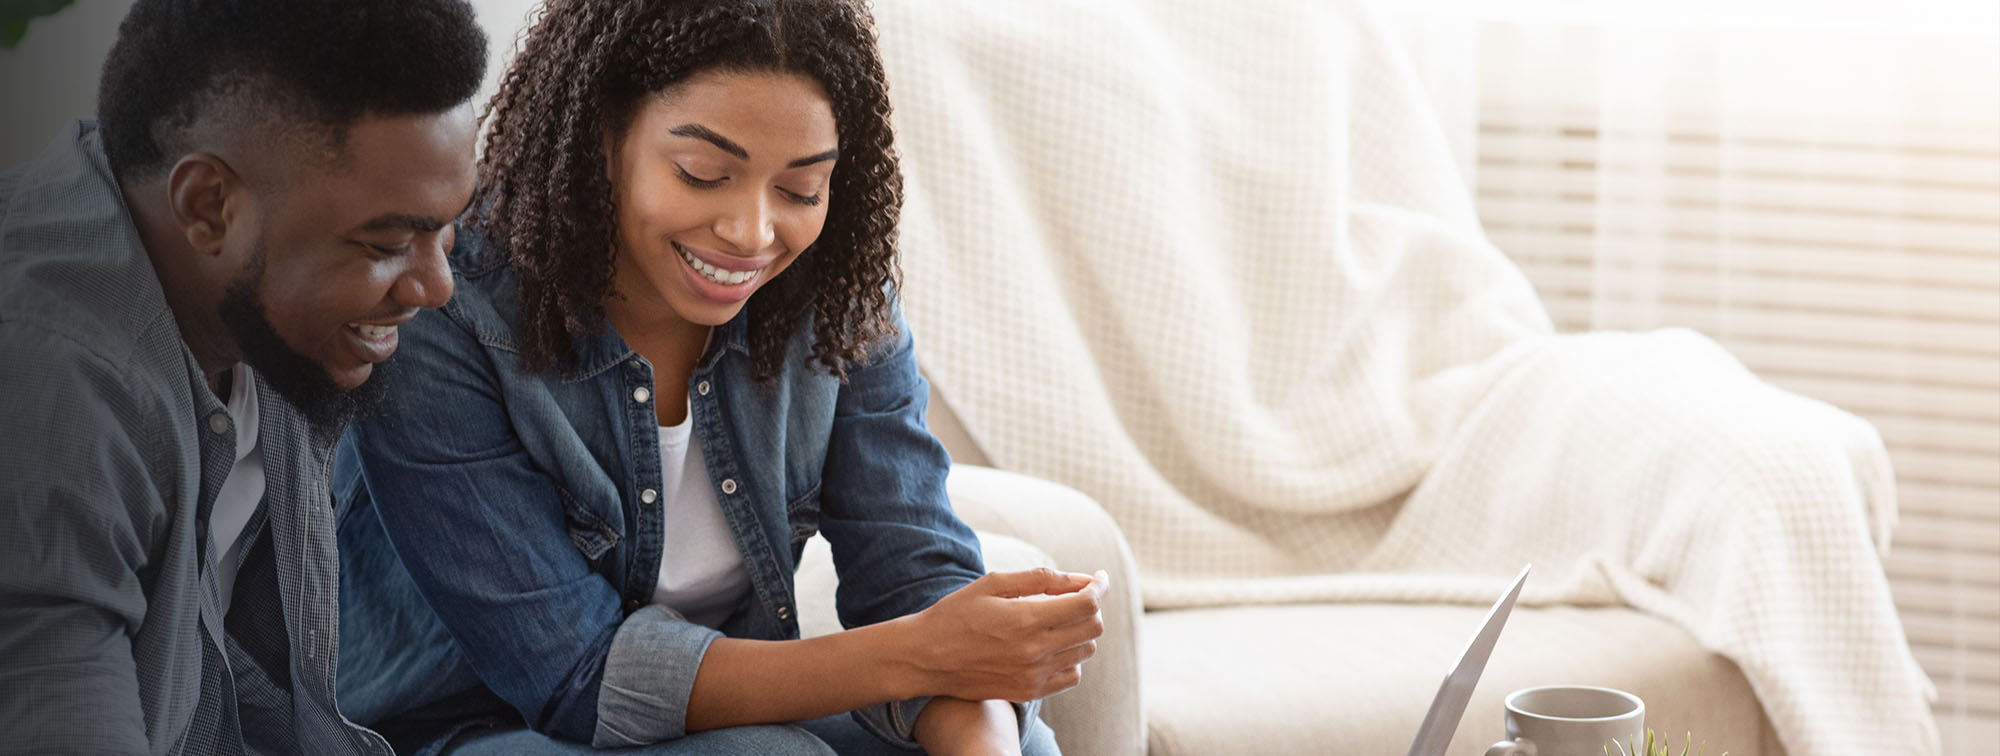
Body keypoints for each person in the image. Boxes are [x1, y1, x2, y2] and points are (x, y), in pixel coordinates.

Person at [332, 0, 1105, 754]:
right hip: (468, 722)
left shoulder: (834, 296)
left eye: (801, 190)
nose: (752, 234)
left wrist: (976, 713)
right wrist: (929, 652)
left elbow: (912, 578)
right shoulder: (444, 307)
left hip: (720, 721)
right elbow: (573, 675)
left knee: (1013, 734)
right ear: (605, 135)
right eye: (703, 174)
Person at [0, 0, 487, 753]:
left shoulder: (257, 311)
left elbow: (227, 696)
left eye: (447, 225)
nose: (437, 285)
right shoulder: (53, 385)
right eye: (389, 241)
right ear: (207, 205)